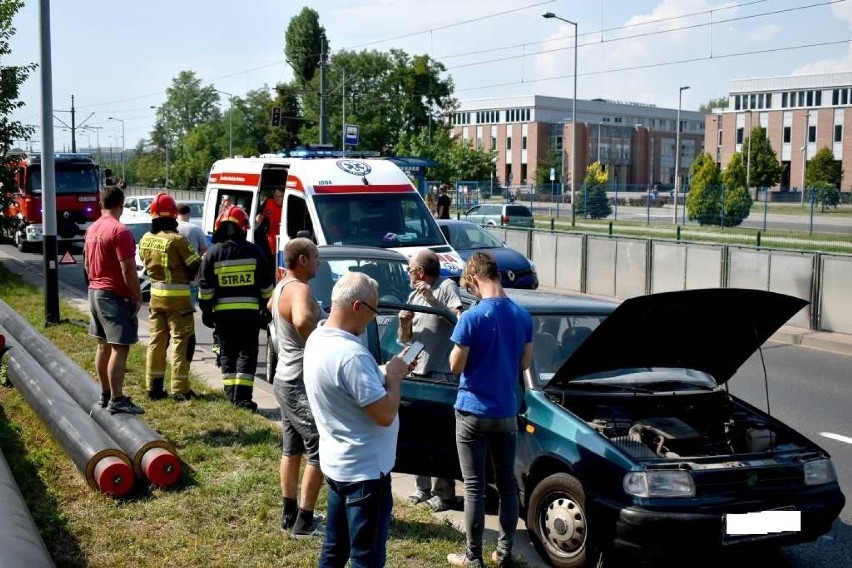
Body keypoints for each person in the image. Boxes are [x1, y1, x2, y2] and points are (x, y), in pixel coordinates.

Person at [303, 272, 413, 568]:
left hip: (338, 465)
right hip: (365, 474)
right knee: (366, 559)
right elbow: (385, 414)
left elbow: (347, 382)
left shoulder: (318, 336)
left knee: (335, 548)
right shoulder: (351, 354)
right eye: (374, 311)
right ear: (357, 307)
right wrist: (395, 376)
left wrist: (383, 370)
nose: (373, 319)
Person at [446, 252, 533, 568]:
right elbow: (525, 363)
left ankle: (473, 556)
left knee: (474, 487)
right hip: (505, 412)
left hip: (472, 410)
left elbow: (455, 366)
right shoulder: (522, 316)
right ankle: (505, 553)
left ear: (473, 279)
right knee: (507, 484)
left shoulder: (471, 317)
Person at [268, 238, 325, 538]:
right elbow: (302, 319)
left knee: (292, 448)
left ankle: (289, 514)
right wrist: (320, 343)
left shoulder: (281, 287)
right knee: (320, 446)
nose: (319, 261)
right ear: (302, 259)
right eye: (315, 256)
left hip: (283, 378)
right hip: (297, 381)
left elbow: (271, 309)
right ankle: (304, 521)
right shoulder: (300, 289)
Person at [399, 250, 463, 513]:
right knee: (417, 432)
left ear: (422, 271)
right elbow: (406, 340)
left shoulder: (446, 287)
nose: (408, 274)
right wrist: (404, 323)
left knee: (439, 435)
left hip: (441, 373)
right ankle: (422, 488)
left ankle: (444, 494)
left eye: (410, 269)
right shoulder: (413, 295)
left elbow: (458, 319)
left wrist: (433, 299)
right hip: (418, 372)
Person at [199, 205, 274, 411]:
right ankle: (243, 399)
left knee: (228, 354)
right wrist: (268, 310)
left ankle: (231, 396)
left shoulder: (212, 254)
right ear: (243, 227)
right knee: (247, 355)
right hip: (249, 316)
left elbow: (205, 289)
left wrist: (206, 311)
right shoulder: (254, 251)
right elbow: (267, 286)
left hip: (223, 317)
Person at [83, 185, 145, 415]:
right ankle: (118, 399)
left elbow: (87, 265)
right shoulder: (120, 231)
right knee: (120, 348)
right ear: (122, 203)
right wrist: (137, 296)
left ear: (101, 203)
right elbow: (128, 269)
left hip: (94, 291)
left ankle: (105, 394)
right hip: (113, 295)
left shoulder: (92, 229)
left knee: (103, 345)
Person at [138, 194, 201, 401]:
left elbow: (144, 263)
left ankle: (153, 388)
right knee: (180, 342)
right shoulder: (177, 241)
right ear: (173, 215)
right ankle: (180, 390)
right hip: (179, 301)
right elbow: (194, 265)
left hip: (156, 299)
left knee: (156, 342)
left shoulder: (146, 239)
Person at [255, 187, 284, 276]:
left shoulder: (287, 206)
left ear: (284, 197)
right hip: (270, 241)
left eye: (279, 196)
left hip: (282, 242)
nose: (276, 198)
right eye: (275, 195)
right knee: (270, 267)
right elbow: (259, 217)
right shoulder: (269, 202)